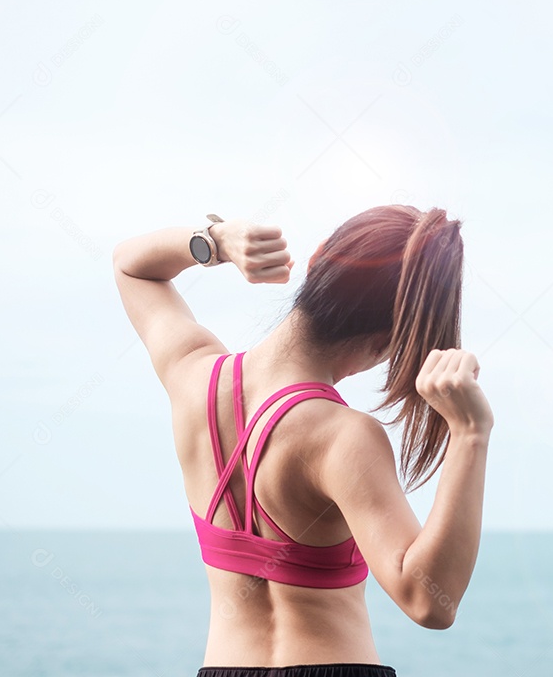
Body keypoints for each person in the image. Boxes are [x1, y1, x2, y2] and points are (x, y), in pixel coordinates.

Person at [112, 205, 494, 677]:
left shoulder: (191, 378)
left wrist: (217, 241)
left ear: (315, 262)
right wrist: (470, 434)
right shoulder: (343, 437)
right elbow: (429, 602)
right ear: (389, 339)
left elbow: (131, 266)